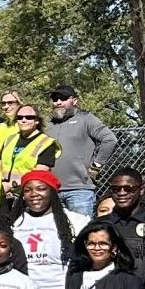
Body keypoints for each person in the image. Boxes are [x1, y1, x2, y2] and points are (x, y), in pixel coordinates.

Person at [44, 87, 116, 217]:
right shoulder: (48, 126)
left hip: (80, 191)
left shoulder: (86, 119)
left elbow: (109, 139)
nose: (58, 102)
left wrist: (96, 166)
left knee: (80, 233)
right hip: (51, 191)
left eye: (64, 98)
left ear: (74, 100)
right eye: (55, 99)